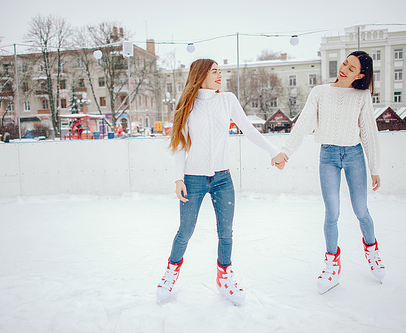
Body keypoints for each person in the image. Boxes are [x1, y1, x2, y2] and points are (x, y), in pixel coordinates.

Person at [156, 59, 287, 305]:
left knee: (226, 233)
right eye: (214, 71)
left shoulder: (227, 100)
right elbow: (181, 145)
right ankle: (170, 274)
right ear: (201, 74)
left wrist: (273, 151)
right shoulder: (188, 104)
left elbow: (248, 129)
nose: (219, 75)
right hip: (193, 180)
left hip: (222, 179)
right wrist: (178, 179)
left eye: (220, 71)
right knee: (185, 231)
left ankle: (224, 277)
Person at [275, 51, 385, 294]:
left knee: (361, 209)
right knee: (332, 212)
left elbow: (368, 132)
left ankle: (372, 251)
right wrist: (285, 152)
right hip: (328, 156)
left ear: (361, 75)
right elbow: (302, 124)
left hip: (354, 155)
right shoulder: (320, 93)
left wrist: (374, 167)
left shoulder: (361, 96)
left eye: (352, 68)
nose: (344, 69)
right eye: (345, 63)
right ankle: (331, 262)